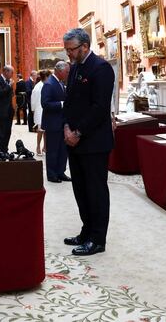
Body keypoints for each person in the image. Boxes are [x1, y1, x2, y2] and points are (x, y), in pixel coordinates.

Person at [62, 27, 114, 257]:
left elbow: (99, 108)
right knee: (80, 190)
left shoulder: (101, 69)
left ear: (84, 46)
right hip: (74, 140)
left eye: (71, 50)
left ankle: (97, 238)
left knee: (95, 191)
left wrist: (78, 132)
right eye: (67, 50)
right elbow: (69, 102)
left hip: (93, 143)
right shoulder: (75, 68)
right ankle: (86, 231)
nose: (68, 55)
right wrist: (65, 127)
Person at [42, 61, 70, 183]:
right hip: (53, 123)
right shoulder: (49, 84)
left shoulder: (60, 83)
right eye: (67, 72)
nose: (68, 74)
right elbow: (45, 104)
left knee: (62, 150)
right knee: (53, 150)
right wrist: (62, 104)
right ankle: (52, 174)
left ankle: (60, 171)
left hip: (61, 122)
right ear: (59, 71)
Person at [0, 65, 15, 153]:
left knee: (8, 131)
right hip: (0, 111)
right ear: (6, 72)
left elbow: (10, 94)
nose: (13, 74)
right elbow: (0, 93)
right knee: (1, 132)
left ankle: (5, 149)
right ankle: (0, 149)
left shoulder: (9, 81)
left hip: (9, 111)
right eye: (12, 72)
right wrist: (9, 86)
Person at [31, 69, 49, 155]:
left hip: (43, 110)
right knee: (40, 131)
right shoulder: (39, 86)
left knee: (45, 131)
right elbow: (33, 100)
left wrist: (33, 110)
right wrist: (33, 110)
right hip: (40, 110)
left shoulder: (44, 85)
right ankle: (38, 146)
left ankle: (45, 147)